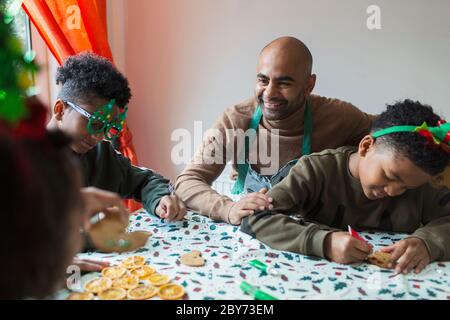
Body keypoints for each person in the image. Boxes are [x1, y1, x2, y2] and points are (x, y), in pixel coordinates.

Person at [175, 36, 375, 225]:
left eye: (283, 83)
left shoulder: (337, 116)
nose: (269, 93)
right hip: (250, 227)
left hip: (309, 231)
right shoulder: (236, 120)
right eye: (263, 80)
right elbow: (187, 181)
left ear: (309, 85)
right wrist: (228, 209)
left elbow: (395, 132)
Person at [241, 99, 450, 275]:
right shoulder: (316, 171)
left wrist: (429, 242)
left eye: (406, 187)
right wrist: (324, 242)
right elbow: (255, 217)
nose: (394, 191)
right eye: (388, 176)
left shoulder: (422, 184)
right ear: (366, 146)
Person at [47, 52, 186, 222]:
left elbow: (144, 180)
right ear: (61, 110)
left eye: (108, 128)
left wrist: (160, 199)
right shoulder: (24, 163)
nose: (98, 137)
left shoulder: (101, 155)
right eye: (95, 123)